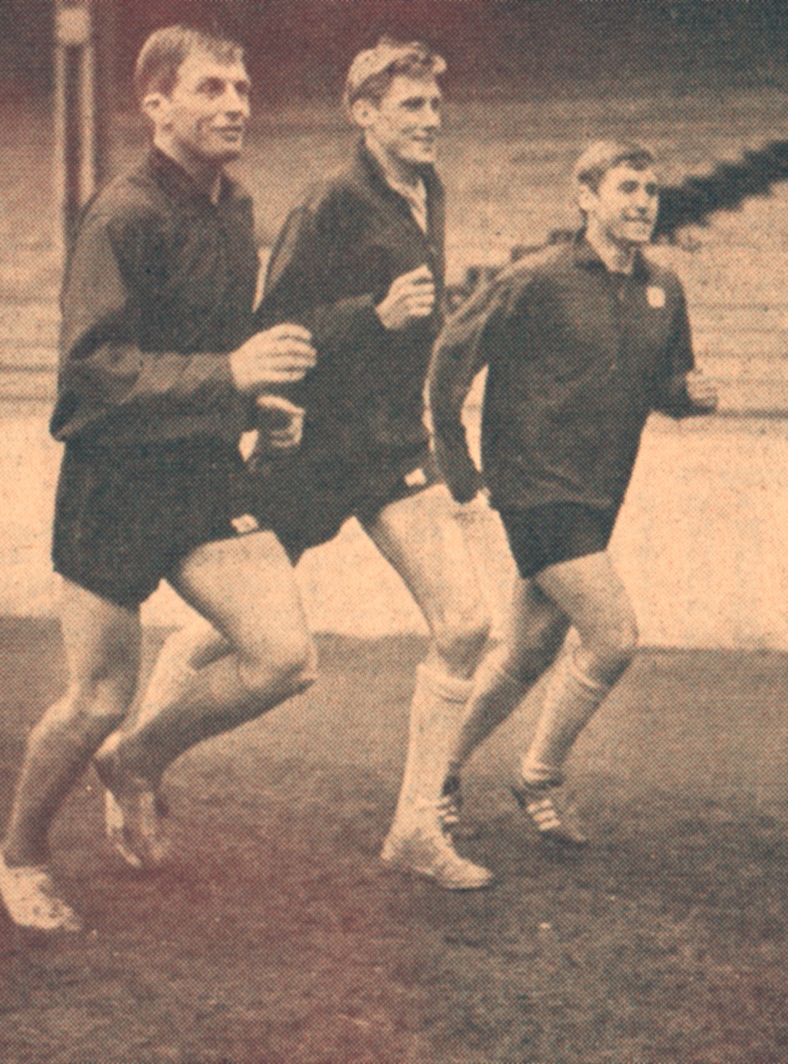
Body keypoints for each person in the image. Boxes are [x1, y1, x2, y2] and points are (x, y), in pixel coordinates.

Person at [101, 40, 496, 891]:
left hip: (392, 446)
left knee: (466, 624)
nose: (430, 120)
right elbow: (270, 331)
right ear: (364, 114)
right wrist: (371, 316)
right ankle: (138, 759)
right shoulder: (330, 203)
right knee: (231, 635)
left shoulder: (428, 186)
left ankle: (414, 829)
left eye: (435, 105)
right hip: (315, 449)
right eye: (412, 106)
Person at [0, 26, 319, 931]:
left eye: (242, 88)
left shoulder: (235, 206)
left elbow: (214, 346)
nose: (236, 104)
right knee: (96, 698)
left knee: (285, 658)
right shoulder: (122, 216)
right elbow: (89, 377)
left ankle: (136, 761)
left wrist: (255, 404)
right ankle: (20, 855)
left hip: (204, 475)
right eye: (212, 88)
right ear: (156, 105)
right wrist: (230, 377)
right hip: (114, 488)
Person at [428, 140, 718, 851]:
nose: (643, 202)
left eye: (652, 190)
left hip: (599, 493)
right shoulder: (537, 277)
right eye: (627, 188)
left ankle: (435, 772)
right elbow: (450, 356)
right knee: (614, 636)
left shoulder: (664, 288)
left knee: (529, 650)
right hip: (532, 487)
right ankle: (539, 775)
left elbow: (663, 384)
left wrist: (688, 397)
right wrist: (457, 461)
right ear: (586, 197)